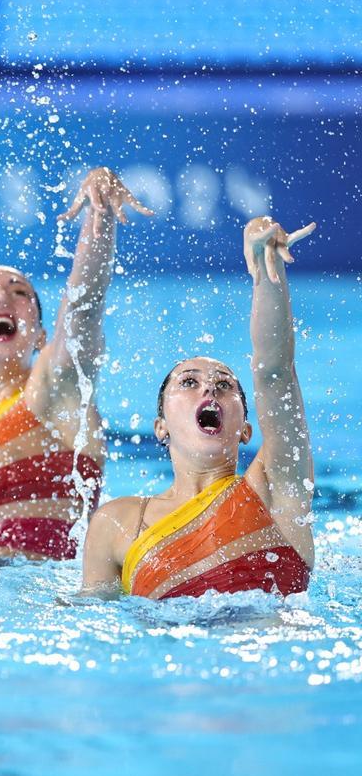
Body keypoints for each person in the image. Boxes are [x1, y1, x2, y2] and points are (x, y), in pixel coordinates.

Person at [0, 168, 152, 560]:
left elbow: (83, 307)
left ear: (40, 336)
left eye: (19, 293)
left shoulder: (57, 399)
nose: (0, 301)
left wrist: (99, 217)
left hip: (46, 599)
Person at [80, 216, 315, 599]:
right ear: (161, 426)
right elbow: (90, 623)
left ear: (245, 430)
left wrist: (264, 270)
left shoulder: (275, 490)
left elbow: (275, 373)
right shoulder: (119, 523)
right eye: (189, 382)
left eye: (225, 385)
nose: (209, 386)